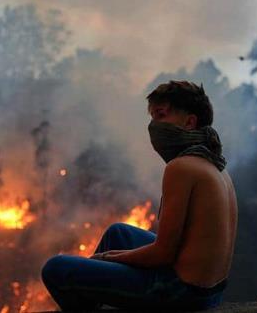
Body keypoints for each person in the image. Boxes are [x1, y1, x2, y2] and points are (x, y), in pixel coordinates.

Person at [41, 80, 238, 311]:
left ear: (189, 122)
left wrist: (109, 258)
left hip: (182, 293)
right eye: (152, 117)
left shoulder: (181, 168)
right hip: (211, 291)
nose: (154, 126)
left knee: (56, 269)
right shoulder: (216, 165)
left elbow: (163, 254)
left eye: (161, 115)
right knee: (119, 233)